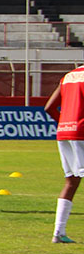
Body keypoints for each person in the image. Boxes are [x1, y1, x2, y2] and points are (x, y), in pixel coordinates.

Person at [44, 62, 84, 243]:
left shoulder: (69, 76)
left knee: (71, 182)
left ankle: (58, 233)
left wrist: (66, 123)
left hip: (65, 132)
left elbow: (49, 107)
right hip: (82, 131)